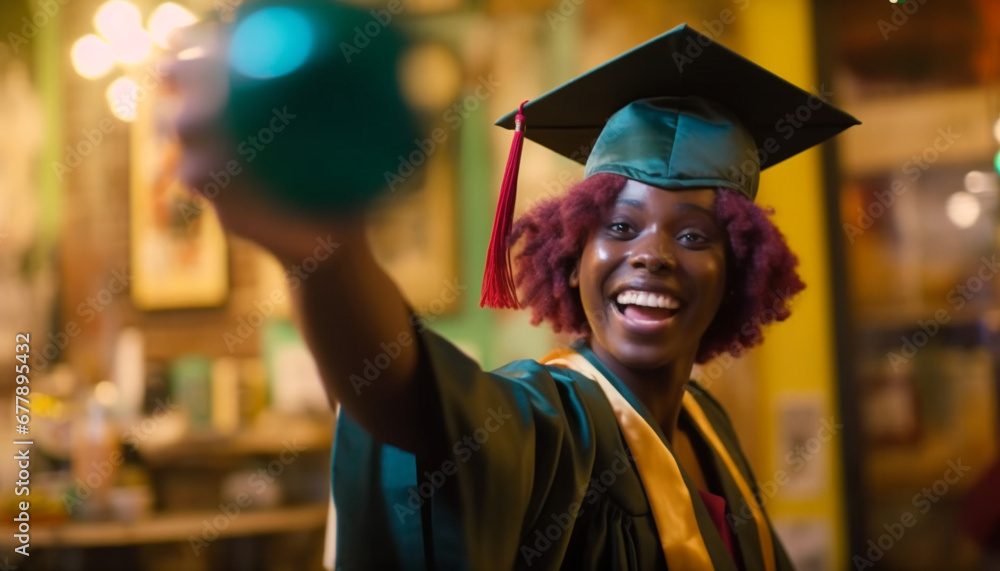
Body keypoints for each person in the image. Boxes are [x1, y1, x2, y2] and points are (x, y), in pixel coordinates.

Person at [169, 21, 857, 571]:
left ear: (740, 270)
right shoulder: (553, 423)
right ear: (573, 253)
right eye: (620, 226)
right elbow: (413, 401)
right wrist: (320, 252)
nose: (650, 252)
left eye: (696, 236)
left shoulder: (709, 425)